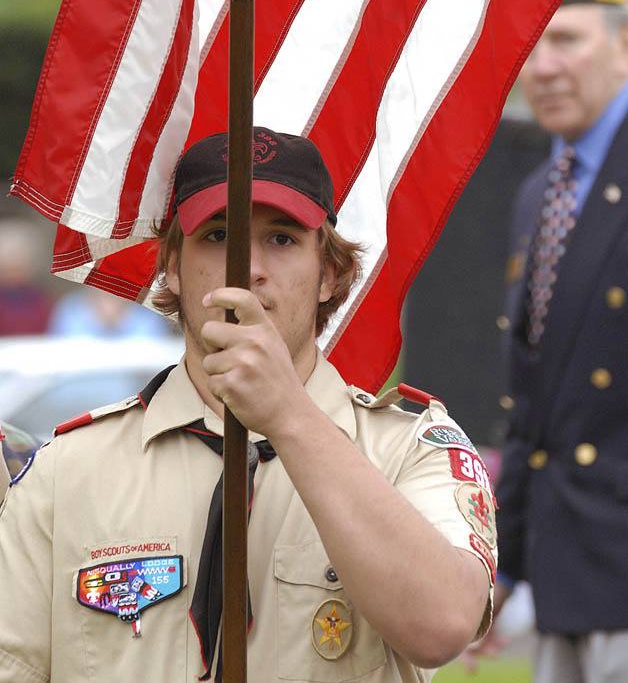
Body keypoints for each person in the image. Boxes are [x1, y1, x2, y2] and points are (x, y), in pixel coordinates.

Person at [0, 128, 496, 683]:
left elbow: (443, 626)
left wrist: (288, 416)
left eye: (282, 239)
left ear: (330, 273)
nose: (247, 266)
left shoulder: (407, 451)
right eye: (217, 235)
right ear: (172, 268)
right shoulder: (68, 470)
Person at [478, 0, 628, 682]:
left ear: (625, 47)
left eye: (567, 40)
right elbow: (532, 409)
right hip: (566, 574)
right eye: (530, 44)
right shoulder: (542, 191)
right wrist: (499, 571)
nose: (543, 66)